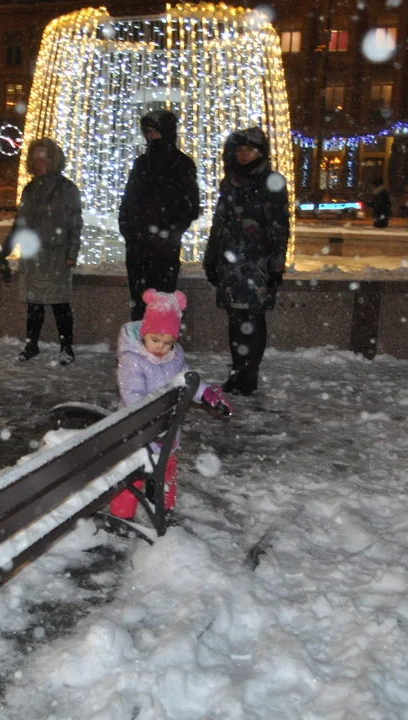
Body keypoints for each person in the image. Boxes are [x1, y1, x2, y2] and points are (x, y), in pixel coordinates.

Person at [109, 289, 231, 523]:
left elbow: (185, 379)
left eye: (168, 342)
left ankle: (162, 510)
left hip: (165, 433)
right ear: (144, 333)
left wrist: (206, 394)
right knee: (131, 476)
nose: (160, 347)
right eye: (155, 340)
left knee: (165, 471)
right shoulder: (132, 360)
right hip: (137, 435)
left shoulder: (174, 357)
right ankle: (122, 518)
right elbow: (132, 397)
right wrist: (152, 426)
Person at [203, 127, 290, 397]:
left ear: (261, 153)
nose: (244, 155)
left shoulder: (272, 182)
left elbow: (279, 227)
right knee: (235, 317)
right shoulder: (229, 182)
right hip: (231, 262)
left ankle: (249, 373)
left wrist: (276, 265)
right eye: (240, 150)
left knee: (253, 317)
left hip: (258, 264)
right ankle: (237, 370)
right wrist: (211, 256)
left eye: (250, 150)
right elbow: (219, 222)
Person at [0, 138, 82, 366]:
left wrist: (71, 253)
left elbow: (75, 225)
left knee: (59, 304)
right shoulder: (30, 189)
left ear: (53, 160)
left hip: (55, 258)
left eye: (43, 158)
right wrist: (5, 250)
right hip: (32, 257)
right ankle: (31, 344)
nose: (38, 163)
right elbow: (20, 223)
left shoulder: (66, 190)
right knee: (33, 305)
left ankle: (66, 347)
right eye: (35, 158)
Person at [118, 110, 200, 320]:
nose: (151, 136)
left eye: (155, 131)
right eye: (147, 132)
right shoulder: (142, 163)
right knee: (139, 301)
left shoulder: (181, 164)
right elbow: (129, 200)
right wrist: (129, 230)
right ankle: (138, 347)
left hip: (164, 248)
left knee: (162, 303)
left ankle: (160, 348)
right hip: (138, 246)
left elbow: (190, 206)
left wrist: (169, 230)